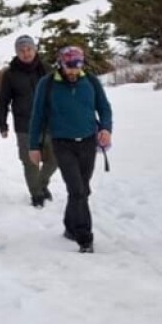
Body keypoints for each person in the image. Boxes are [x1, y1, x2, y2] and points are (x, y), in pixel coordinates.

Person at [28, 46, 113, 254]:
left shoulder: (90, 82)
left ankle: (69, 225)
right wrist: (33, 146)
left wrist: (106, 128)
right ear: (61, 64)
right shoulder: (47, 84)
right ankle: (85, 238)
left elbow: (104, 108)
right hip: (62, 143)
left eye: (77, 66)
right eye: (69, 66)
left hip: (87, 142)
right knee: (77, 190)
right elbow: (37, 116)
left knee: (82, 189)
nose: (73, 71)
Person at [0, 35, 56, 207]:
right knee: (30, 162)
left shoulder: (47, 69)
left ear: (34, 49)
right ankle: (36, 193)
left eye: (29, 49)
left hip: (49, 123)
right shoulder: (10, 74)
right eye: (21, 50)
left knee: (55, 158)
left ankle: (42, 182)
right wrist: (3, 123)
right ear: (17, 53)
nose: (26, 53)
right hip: (25, 125)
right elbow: (3, 100)